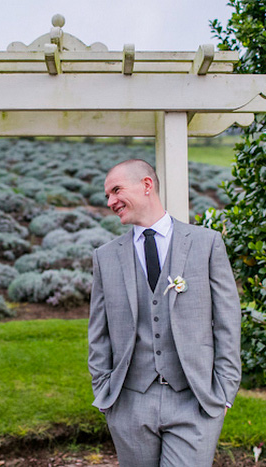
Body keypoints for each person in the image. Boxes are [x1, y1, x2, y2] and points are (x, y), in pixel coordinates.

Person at [88, 159, 242, 466]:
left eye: (116, 190)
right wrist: (105, 393)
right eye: (107, 195)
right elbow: (98, 333)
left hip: (194, 400)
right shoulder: (105, 257)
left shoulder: (206, 243)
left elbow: (227, 320)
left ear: (146, 185)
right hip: (130, 402)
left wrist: (224, 391)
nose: (110, 202)